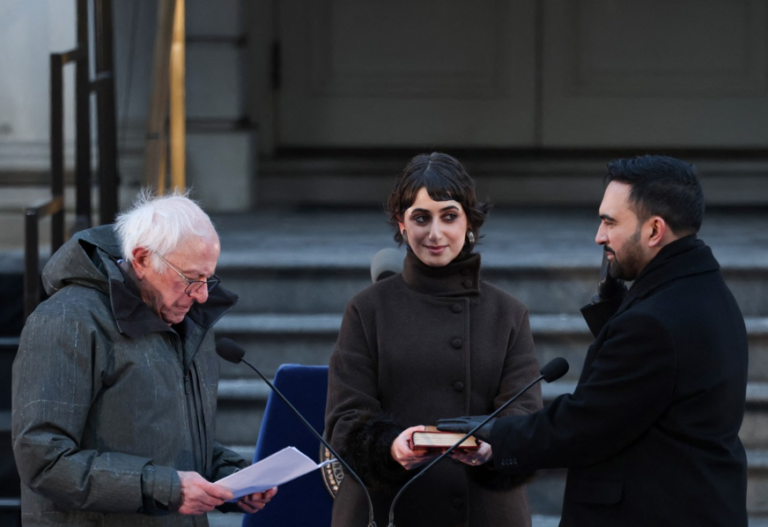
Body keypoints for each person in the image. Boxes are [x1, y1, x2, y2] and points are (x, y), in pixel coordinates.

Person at [438, 155, 749, 526]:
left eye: (609, 221)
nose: (599, 236)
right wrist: (617, 312)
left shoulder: (653, 323)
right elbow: (645, 390)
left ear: (654, 230)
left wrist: (496, 435)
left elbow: (587, 423)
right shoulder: (704, 288)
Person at [12, 192, 277, 526]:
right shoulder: (66, 321)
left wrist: (234, 479)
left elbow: (177, 442)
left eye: (208, 278)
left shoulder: (187, 320)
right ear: (141, 259)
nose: (203, 295)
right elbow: (44, 458)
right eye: (191, 278)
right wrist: (167, 487)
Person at [325, 152, 543, 527]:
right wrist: (392, 447)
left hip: (484, 511)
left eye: (449, 216)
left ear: (469, 222)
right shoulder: (367, 309)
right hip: (387, 509)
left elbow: (525, 414)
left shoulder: (508, 313)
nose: (435, 233)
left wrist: (494, 447)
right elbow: (344, 421)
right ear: (402, 224)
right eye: (421, 218)